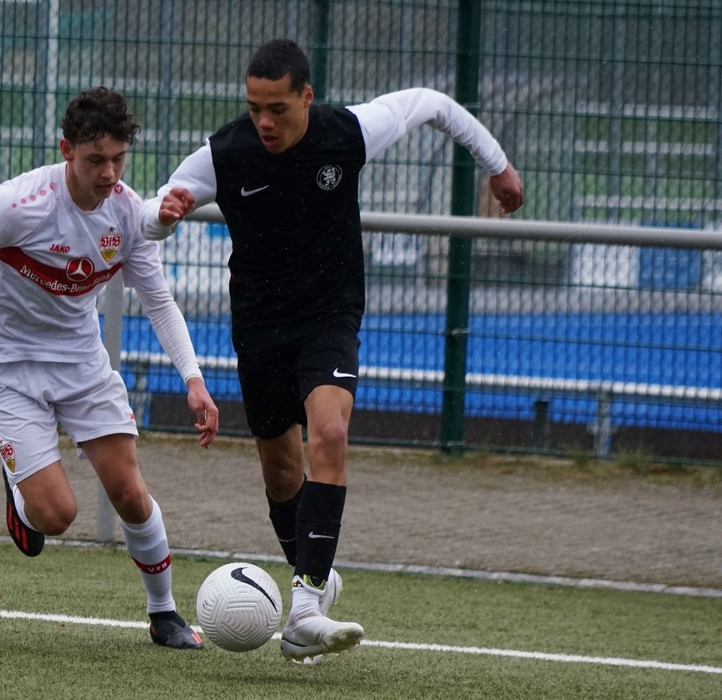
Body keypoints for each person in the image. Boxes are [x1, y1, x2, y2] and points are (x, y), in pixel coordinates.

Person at [140, 39, 524, 663]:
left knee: (330, 432)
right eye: (254, 108)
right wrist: (167, 214)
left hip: (330, 318)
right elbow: (151, 217)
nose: (264, 122)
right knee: (280, 472)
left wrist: (498, 165)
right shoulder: (224, 152)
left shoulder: (348, 132)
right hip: (259, 327)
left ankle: (304, 610)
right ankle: (314, 580)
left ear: (306, 98)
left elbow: (432, 103)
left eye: (277, 109)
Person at [0, 86, 219, 650]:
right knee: (57, 515)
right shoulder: (20, 204)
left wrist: (194, 380)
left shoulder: (127, 213)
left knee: (129, 492)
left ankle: (164, 614)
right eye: (96, 160)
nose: (109, 174)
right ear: (66, 151)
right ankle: (21, 495)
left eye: (119, 159)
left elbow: (159, 301)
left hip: (80, 361)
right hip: (6, 362)